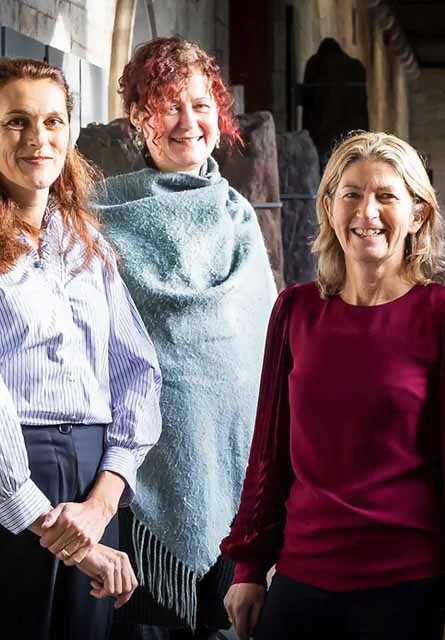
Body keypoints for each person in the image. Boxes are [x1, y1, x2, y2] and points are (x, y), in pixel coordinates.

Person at [219, 131, 445, 640]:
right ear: (330, 208)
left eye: (385, 196)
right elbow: (268, 451)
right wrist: (248, 566)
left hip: (410, 589)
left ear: (418, 214)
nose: (367, 212)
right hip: (300, 581)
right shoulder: (296, 310)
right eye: (351, 193)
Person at [93, 37, 278, 640]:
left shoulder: (238, 216)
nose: (187, 123)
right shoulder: (98, 217)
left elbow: (266, 350)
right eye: (168, 105)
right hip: (137, 486)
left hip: (232, 471)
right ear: (138, 117)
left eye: (200, 105)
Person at [0, 57, 160, 639]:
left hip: (95, 481)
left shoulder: (85, 240)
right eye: (16, 121)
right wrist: (51, 526)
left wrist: (101, 505)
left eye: (52, 121)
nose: (37, 139)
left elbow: (137, 373)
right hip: (13, 483)